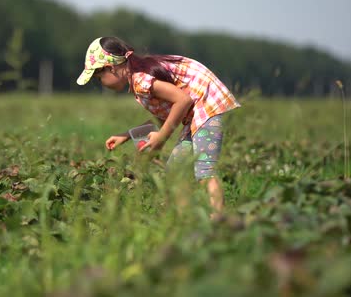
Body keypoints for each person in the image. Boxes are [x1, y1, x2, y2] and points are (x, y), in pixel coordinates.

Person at [76, 36, 241, 217]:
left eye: (99, 78)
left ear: (111, 68)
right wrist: (126, 136)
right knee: (174, 169)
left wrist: (162, 136)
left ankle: (218, 221)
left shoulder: (141, 80)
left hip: (206, 103)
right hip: (194, 112)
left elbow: (183, 100)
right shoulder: (138, 79)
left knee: (205, 171)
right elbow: (161, 120)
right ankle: (185, 218)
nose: (102, 84)